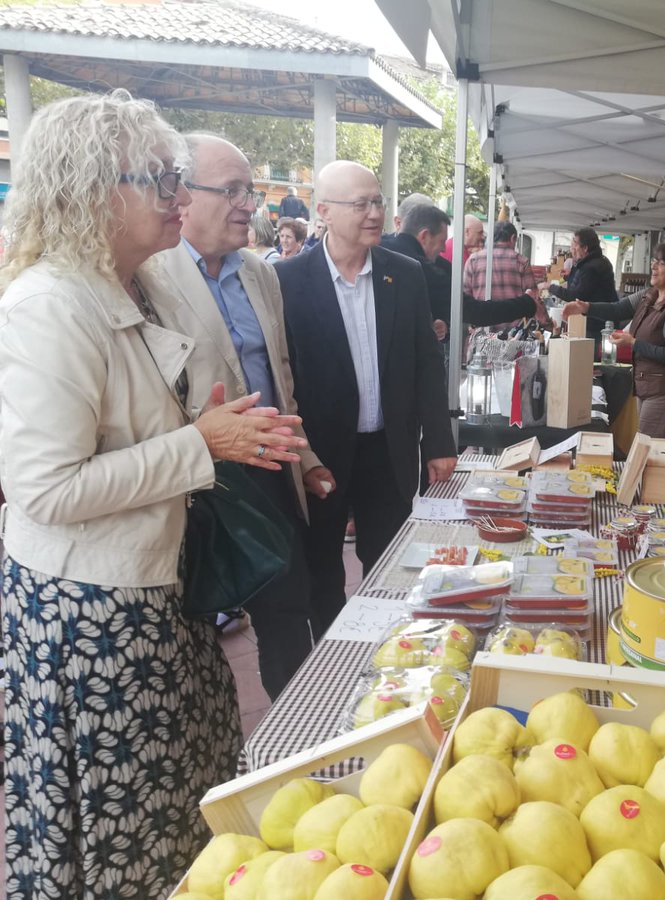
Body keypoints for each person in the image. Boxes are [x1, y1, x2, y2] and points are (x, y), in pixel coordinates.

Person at [0, 91, 307, 898]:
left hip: (160, 593)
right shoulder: (48, 305)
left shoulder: (137, 285)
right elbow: (44, 489)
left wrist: (207, 425)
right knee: (128, 832)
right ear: (94, 191)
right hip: (93, 620)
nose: (179, 194)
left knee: (185, 803)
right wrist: (201, 444)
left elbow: (142, 427)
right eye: (162, 178)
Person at [158, 133, 334, 700]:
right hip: (196, 485)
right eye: (232, 190)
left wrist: (305, 458)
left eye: (250, 191)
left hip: (270, 471)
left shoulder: (260, 273)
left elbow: (280, 379)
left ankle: (296, 727)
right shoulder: (150, 277)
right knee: (192, 633)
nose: (248, 205)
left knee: (288, 610)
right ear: (185, 193)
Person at [276, 161, 457, 635]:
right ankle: (334, 651)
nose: (375, 213)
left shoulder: (405, 274)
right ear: (324, 212)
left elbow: (426, 363)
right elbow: (283, 375)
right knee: (323, 569)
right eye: (361, 204)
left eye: (378, 201)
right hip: (321, 454)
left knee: (391, 565)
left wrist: (439, 443)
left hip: (387, 449)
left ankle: (388, 645)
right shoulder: (288, 280)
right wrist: (300, 456)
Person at [563, 242, 665, 438]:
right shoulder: (650, 295)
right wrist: (586, 307)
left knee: (647, 440)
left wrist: (633, 343)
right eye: (654, 260)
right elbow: (618, 309)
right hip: (649, 384)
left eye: (661, 263)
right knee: (654, 440)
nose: (653, 266)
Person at [386, 202, 543, 333]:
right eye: (441, 241)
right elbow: (473, 311)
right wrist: (526, 303)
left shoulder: (382, 250)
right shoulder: (419, 268)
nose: (443, 248)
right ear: (424, 236)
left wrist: (444, 324)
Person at [539, 227, 618, 347]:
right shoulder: (598, 262)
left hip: (596, 324)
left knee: (590, 354)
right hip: (602, 320)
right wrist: (571, 275)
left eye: (574, 244)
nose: (572, 248)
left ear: (585, 248)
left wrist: (549, 286)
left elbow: (575, 295)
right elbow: (582, 287)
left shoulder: (590, 268)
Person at [463, 220, 537, 301]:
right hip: (513, 309)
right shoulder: (522, 262)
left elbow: (465, 294)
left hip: (481, 309)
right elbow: (532, 297)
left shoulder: (473, 260)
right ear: (513, 238)